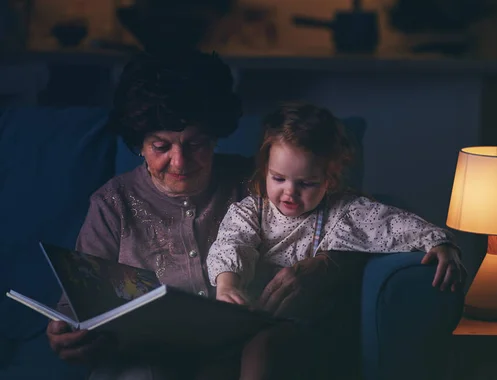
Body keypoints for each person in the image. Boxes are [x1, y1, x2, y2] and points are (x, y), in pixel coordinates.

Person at [45, 51, 365, 380]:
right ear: (139, 145)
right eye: (161, 146)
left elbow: (359, 226)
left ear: (215, 138)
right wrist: (67, 334)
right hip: (146, 364)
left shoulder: (262, 184)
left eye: (196, 144)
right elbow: (78, 306)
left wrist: (319, 267)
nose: (180, 162)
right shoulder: (112, 204)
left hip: (243, 359)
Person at [207, 102, 466, 315]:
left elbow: (396, 224)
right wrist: (227, 286)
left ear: (328, 180)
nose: (290, 192)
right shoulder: (250, 212)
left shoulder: (343, 213)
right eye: (278, 178)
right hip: (250, 315)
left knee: (261, 351)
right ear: (265, 171)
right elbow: (232, 243)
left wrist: (441, 243)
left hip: (305, 329)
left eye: (306, 183)